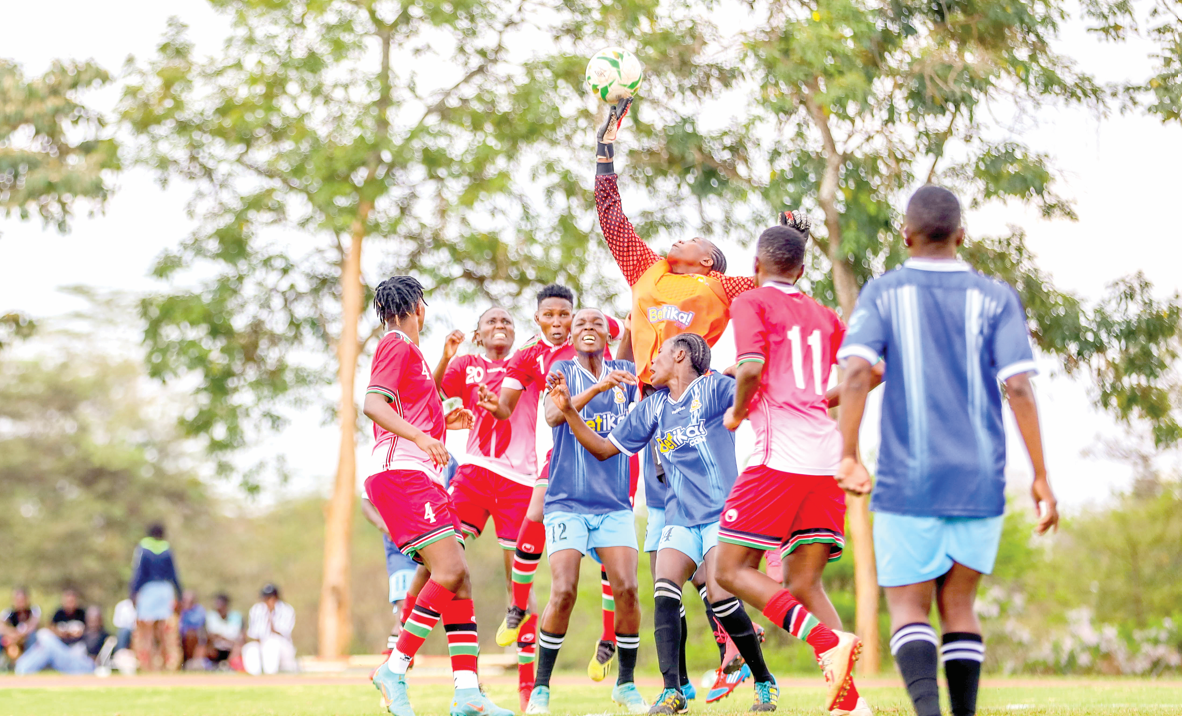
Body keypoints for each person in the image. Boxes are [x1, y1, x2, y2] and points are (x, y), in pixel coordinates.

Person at [835, 185, 1059, 716]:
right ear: (962, 235)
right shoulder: (996, 297)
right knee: (959, 605)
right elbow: (1021, 387)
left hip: (908, 477)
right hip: (979, 476)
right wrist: (1041, 476)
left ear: (906, 236)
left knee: (908, 607)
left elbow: (855, 373)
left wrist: (849, 453)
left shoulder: (884, 293)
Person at [550, 333, 780, 714]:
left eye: (656, 355)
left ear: (680, 354)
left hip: (721, 513)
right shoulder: (652, 407)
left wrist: (746, 367)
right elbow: (605, 448)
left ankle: (764, 679)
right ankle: (672, 691)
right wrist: (570, 413)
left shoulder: (713, 389)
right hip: (678, 516)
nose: (650, 364)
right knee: (664, 593)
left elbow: (754, 385)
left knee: (722, 600)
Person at [714, 223, 866, 715]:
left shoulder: (750, 302)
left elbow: (752, 368)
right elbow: (870, 372)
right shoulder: (823, 314)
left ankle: (826, 641)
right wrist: (818, 400)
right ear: (801, 270)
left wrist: (737, 412)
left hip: (778, 459)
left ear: (756, 267)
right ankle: (852, 706)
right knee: (805, 583)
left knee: (730, 571)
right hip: (825, 458)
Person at [363, 275, 512, 716]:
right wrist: (424, 439)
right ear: (419, 309)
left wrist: (445, 425)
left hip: (420, 477)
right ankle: (394, 667)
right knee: (449, 570)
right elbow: (373, 404)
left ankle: (467, 694)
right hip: (401, 475)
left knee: (457, 577)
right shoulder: (396, 344)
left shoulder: (412, 355)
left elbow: (412, 410)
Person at [479, 285, 625, 684]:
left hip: (611, 450)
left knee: (616, 559)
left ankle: (609, 639)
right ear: (538, 318)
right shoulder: (529, 354)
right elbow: (508, 403)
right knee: (536, 510)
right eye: (551, 316)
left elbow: (629, 329)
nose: (560, 324)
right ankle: (518, 605)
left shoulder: (596, 327)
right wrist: (496, 407)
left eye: (567, 315)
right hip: (564, 450)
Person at [522, 308, 646, 715]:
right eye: (580, 325)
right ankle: (541, 690)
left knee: (627, 589)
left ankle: (625, 685)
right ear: (571, 336)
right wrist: (596, 389)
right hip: (566, 502)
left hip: (614, 503)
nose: (588, 329)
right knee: (564, 592)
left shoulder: (624, 372)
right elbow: (554, 414)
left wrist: (631, 331)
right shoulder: (561, 370)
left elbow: (632, 359)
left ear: (607, 335)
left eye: (596, 324)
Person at [436, 307, 548, 706]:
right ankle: (461, 678)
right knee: (445, 559)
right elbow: (437, 400)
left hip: (520, 482)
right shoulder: (465, 364)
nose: (500, 326)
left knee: (518, 586)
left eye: (507, 322)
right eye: (491, 322)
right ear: (478, 334)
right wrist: (446, 357)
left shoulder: (529, 362)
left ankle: (528, 686)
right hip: (474, 472)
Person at [130, 522, 183, 671]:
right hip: (165, 590)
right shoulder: (167, 549)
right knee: (165, 631)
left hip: (148, 590)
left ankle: (148, 666)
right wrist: (180, 593)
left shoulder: (143, 549)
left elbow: (138, 573)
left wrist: (133, 592)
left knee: (146, 632)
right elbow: (174, 574)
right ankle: (169, 665)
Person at [242, 584, 297, 675]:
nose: (267, 601)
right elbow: (254, 633)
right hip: (262, 643)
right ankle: (255, 678)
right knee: (250, 648)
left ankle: (270, 675)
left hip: (282, 645)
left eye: (270, 598)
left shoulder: (286, 609)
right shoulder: (257, 609)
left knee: (271, 644)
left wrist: (270, 615)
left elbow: (282, 632)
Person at [1, 588, 40, 665]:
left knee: (34, 635)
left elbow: (33, 625)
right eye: (17, 600)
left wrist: (20, 634)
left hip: (27, 639)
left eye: (22, 600)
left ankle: (30, 661)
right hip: (13, 639)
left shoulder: (33, 610)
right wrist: (11, 633)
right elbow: (1, 625)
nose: (20, 603)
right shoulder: (8, 612)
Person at [205, 593, 244, 670]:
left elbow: (240, 636)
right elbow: (211, 636)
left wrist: (222, 638)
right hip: (216, 648)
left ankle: (229, 665)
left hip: (231, 647)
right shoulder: (211, 617)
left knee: (238, 646)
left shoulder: (236, 617)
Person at [178, 590, 207, 667]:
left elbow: (198, 626)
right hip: (178, 637)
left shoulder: (199, 611)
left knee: (191, 635)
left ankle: (194, 662)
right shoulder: (178, 610)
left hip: (193, 638)